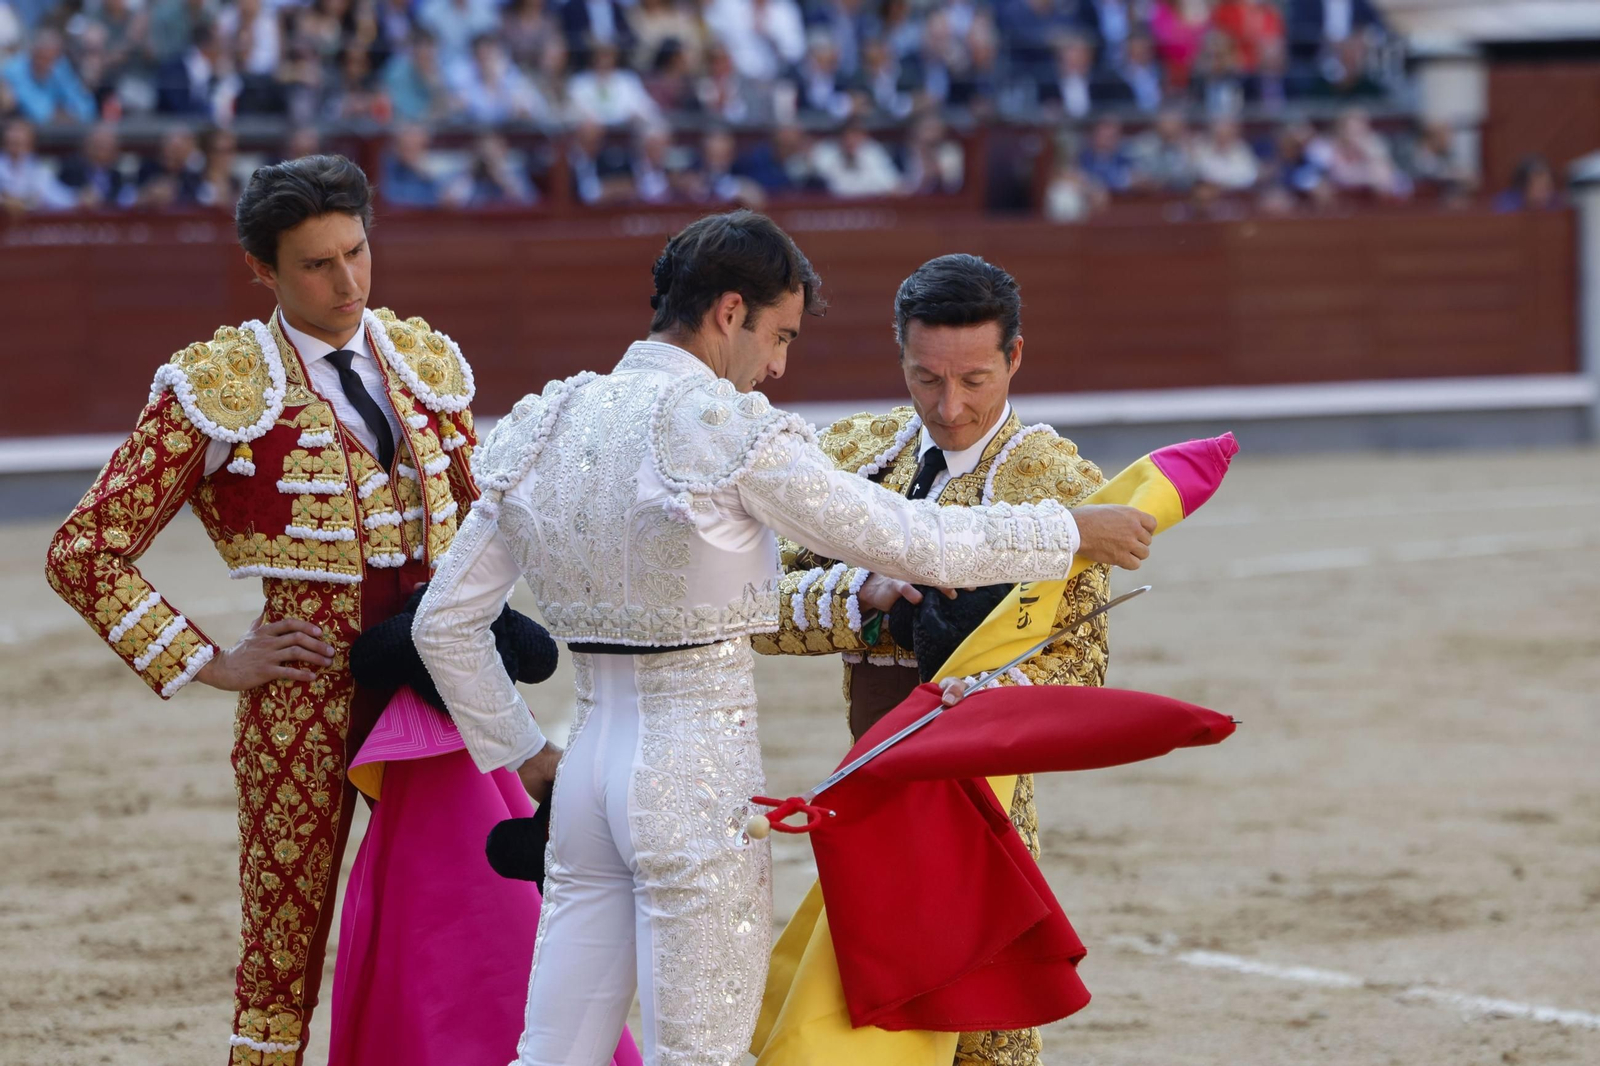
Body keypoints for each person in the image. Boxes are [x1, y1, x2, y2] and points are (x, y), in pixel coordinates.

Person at [412, 210, 1156, 1066]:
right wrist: (1066, 531)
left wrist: (522, 752)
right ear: (732, 311)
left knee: (551, 1055)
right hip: (694, 779)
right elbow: (916, 541)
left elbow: (444, 625)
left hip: (583, 771)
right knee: (698, 1056)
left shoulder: (549, 420)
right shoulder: (729, 430)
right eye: (780, 335)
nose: (777, 366)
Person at [45, 154, 485, 1066]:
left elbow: (487, 525)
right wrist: (212, 660)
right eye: (318, 265)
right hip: (305, 703)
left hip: (442, 692)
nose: (347, 282)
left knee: (468, 923)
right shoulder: (225, 385)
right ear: (265, 272)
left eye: (357, 252)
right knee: (281, 967)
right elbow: (82, 551)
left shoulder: (425, 363)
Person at [750, 254, 1130, 1065]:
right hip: (869, 781)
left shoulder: (1059, 482)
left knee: (983, 1030)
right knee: (869, 1009)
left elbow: (1080, 663)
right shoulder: (851, 456)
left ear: (1015, 358)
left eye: (975, 381)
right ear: (902, 359)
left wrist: (978, 685)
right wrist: (866, 601)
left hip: (979, 796)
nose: (950, 408)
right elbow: (747, 611)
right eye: (927, 380)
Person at [0, 117, 76, 212]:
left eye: (20, 143)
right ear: (4, 143)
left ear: (30, 145)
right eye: (11, 143)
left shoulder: (39, 169)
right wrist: (4, 201)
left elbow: (59, 198)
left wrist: (79, 198)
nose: (15, 148)